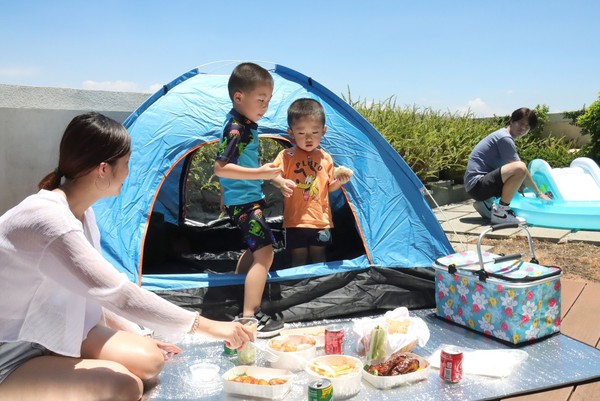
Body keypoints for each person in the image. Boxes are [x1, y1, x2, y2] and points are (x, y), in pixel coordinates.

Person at [0, 112, 253, 401]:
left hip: (49, 329)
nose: (129, 172)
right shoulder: (50, 220)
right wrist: (208, 326)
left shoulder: (81, 213)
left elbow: (95, 289)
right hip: (11, 352)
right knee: (125, 386)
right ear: (104, 170)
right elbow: (116, 293)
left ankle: (66, 372)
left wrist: (142, 337)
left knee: (149, 360)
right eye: (127, 163)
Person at [213, 62, 285, 338]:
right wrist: (260, 173)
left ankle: (237, 286)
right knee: (265, 254)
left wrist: (275, 178)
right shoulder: (236, 129)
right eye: (261, 100)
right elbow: (221, 167)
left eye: (268, 101)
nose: (265, 106)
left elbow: (245, 165)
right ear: (239, 97)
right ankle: (249, 318)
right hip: (243, 202)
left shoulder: (247, 125)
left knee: (257, 250)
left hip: (247, 198)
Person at [272, 98, 352, 267]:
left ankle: (317, 290)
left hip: (320, 221)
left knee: (319, 257)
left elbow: (328, 187)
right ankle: (300, 290)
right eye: (301, 133)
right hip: (295, 221)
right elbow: (273, 175)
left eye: (314, 133)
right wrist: (281, 182)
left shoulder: (325, 158)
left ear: (323, 131)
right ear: (291, 133)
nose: (308, 138)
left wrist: (339, 182)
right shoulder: (286, 156)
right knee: (298, 258)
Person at [464, 107, 551, 225]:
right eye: (521, 123)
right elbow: (521, 170)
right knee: (519, 167)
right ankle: (501, 212)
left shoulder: (503, 135)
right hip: (478, 186)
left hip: (476, 187)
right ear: (511, 121)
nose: (523, 128)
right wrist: (539, 194)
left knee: (518, 174)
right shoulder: (504, 138)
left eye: (527, 127)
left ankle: (486, 203)